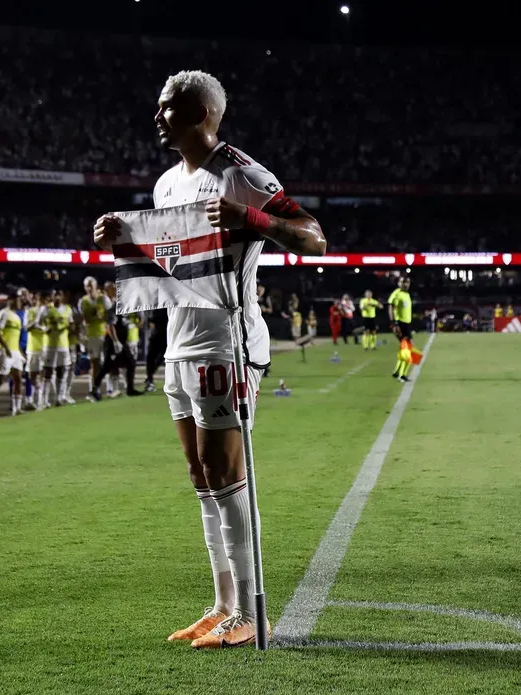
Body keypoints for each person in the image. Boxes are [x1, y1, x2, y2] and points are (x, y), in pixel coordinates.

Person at [93, 70, 326, 649]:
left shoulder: (244, 174)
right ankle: (222, 603)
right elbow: (172, 261)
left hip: (227, 342)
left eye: (167, 108)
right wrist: (124, 236)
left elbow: (314, 235)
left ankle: (250, 609)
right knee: (201, 476)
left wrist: (255, 220)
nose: (157, 116)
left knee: (227, 474)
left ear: (200, 114)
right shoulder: (166, 183)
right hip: (179, 343)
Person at [91, 282, 140, 400]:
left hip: (123, 342)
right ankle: (94, 388)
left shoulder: (124, 306)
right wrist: (116, 341)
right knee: (107, 366)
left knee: (131, 363)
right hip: (113, 342)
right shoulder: (113, 308)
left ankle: (130, 389)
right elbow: (110, 325)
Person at [78, 276, 112, 400]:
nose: (89, 288)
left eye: (91, 285)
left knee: (107, 362)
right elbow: (83, 320)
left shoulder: (103, 299)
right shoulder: (83, 301)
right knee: (94, 363)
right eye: (87, 286)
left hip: (104, 334)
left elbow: (110, 317)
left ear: (96, 286)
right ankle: (94, 389)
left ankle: (109, 389)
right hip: (91, 335)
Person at [41, 289, 75, 408]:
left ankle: (59, 398)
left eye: (59, 295)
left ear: (62, 297)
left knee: (62, 370)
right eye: (55, 295)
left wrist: (70, 329)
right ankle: (44, 400)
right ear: (52, 296)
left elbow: (71, 325)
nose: (57, 297)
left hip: (63, 345)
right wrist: (45, 329)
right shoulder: (46, 309)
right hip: (50, 345)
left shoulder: (67, 309)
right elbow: (39, 323)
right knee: (48, 371)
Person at [388, 276, 419, 381]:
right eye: (403, 282)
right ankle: (402, 375)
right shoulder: (397, 294)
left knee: (404, 349)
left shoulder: (406, 294)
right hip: (400, 324)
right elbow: (391, 307)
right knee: (409, 349)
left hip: (406, 324)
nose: (405, 284)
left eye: (407, 282)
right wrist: (394, 324)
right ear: (398, 283)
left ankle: (397, 372)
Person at [24, 291, 48, 410]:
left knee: (42, 373)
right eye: (32, 298)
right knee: (31, 374)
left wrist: (41, 327)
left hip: (44, 346)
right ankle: (34, 396)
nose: (34, 300)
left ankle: (39, 400)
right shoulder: (29, 311)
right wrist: (35, 322)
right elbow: (27, 327)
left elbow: (49, 327)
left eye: (36, 298)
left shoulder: (46, 311)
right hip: (32, 347)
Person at [144, 308, 168, 393]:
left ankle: (149, 378)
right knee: (151, 358)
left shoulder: (167, 306)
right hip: (156, 335)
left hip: (166, 336)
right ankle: (149, 379)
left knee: (161, 358)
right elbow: (151, 320)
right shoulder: (157, 306)